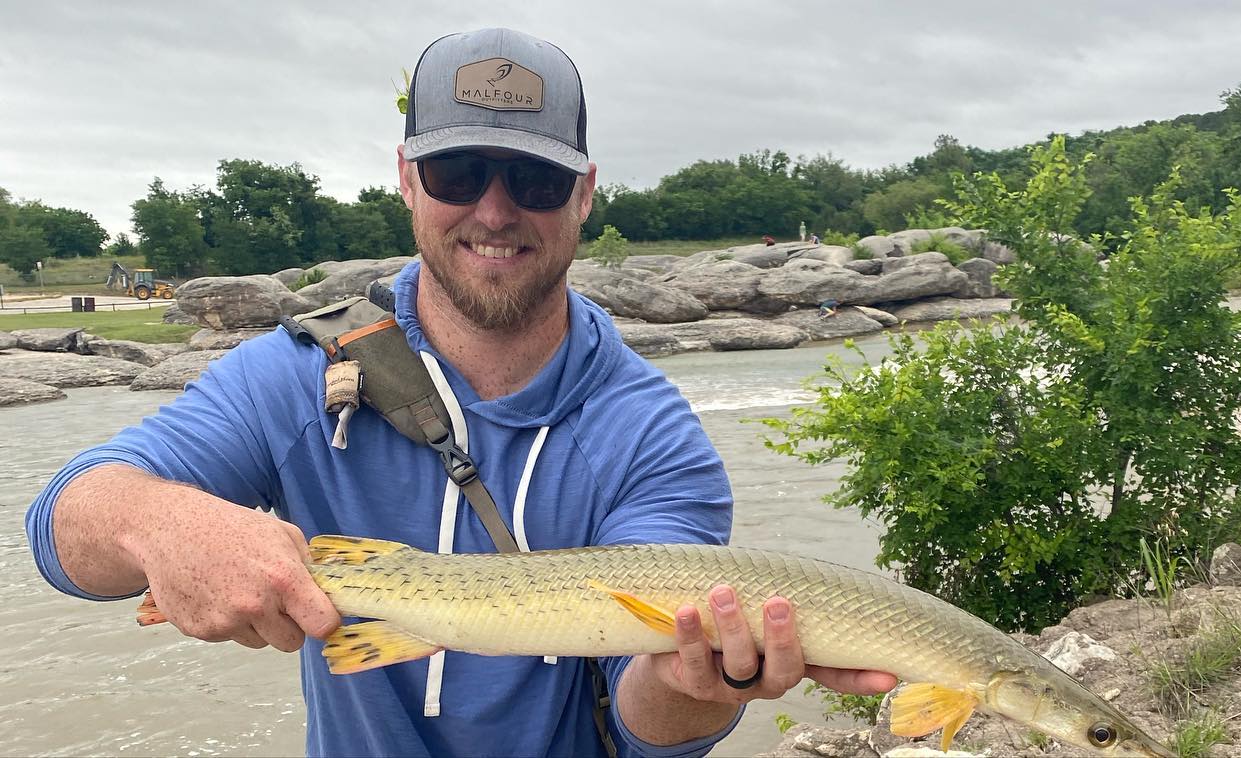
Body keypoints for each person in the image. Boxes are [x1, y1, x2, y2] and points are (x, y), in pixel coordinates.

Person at [24, 27, 893, 758]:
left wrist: (694, 686)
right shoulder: (301, 374)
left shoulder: (652, 437)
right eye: (458, 173)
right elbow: (61, 529)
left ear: (584, 194)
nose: (495, 210)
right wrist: (164, 524)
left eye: (536, 180)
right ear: (406, 181)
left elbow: (642, 731)